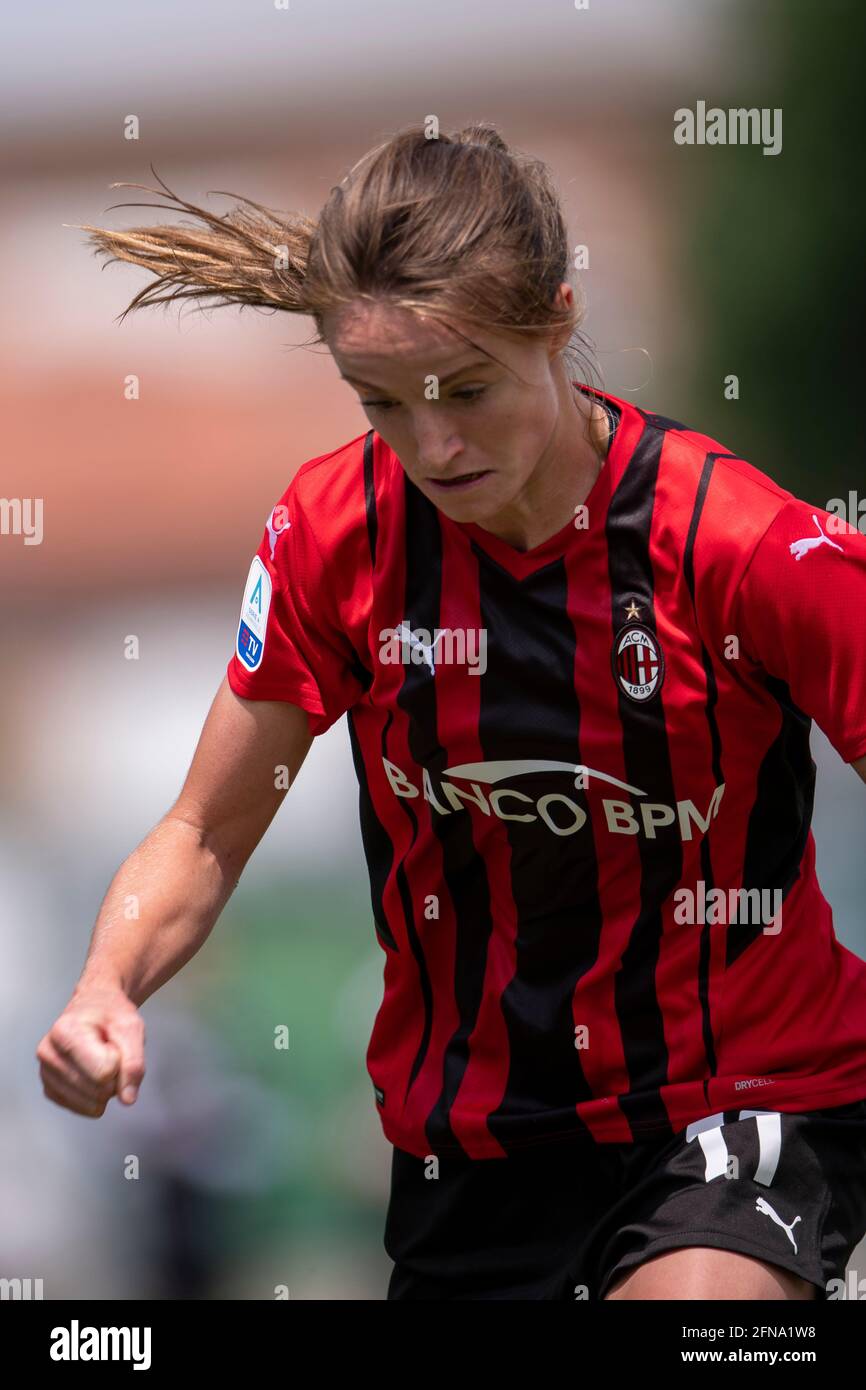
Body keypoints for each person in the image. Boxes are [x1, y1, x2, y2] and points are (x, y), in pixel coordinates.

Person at [40, 123, 866, 1301]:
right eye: (377, 402)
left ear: (558, 322)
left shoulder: (738, 546)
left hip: (736, 1099)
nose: (430, 444)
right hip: (474, 1149)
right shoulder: (337, 537)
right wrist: (105, 988)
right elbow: (204, 833)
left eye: (466, 390)